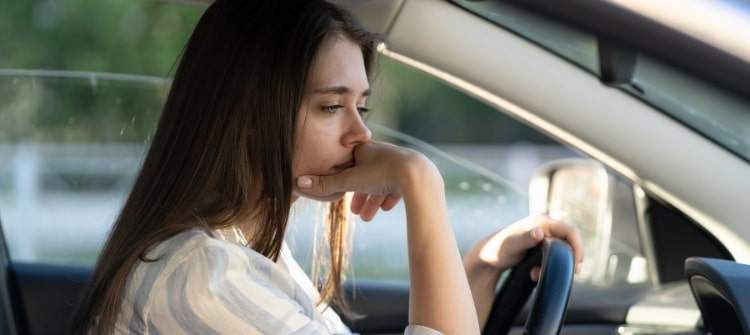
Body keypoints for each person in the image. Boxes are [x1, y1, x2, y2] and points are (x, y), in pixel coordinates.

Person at [71, 0, 583, 334]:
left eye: (362, 107)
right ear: (249, 117)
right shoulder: (204, 281)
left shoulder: (242, 254)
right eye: (331, 107)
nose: (360, 135)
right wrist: (419, 181)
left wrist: (479, 266)